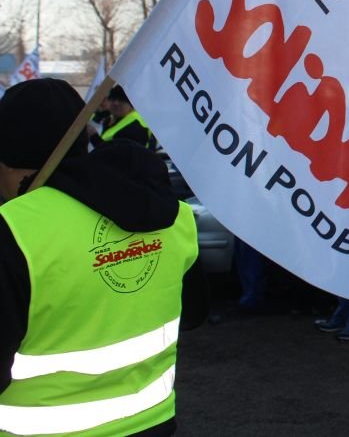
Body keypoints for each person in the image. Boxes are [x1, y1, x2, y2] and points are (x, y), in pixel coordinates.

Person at [0, 78, 205, 436]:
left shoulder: (13, 230)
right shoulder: (175, 215)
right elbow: (195, 312)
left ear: (12, 159)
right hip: (150, 423)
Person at [88, 84, 155, 149]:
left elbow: (117, 155)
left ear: (131, 105)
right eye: (113, 99)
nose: (116, 103)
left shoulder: (136, 125)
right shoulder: (110, 118)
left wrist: (94, 137)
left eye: (122, 100)